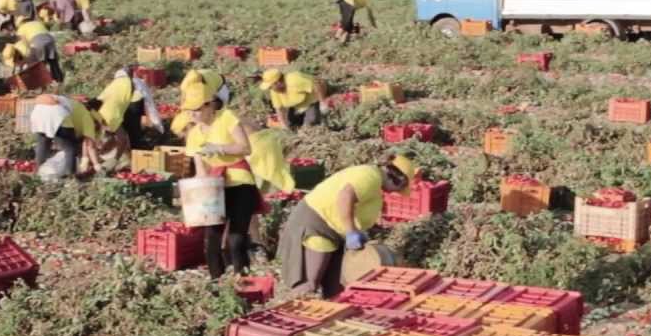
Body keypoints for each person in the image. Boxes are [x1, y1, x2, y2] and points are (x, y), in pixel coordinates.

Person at [279, 155, 414, 298]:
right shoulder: (370, 177)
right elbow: (345, 197)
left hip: (333, 232)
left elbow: (357, 208)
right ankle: (294, 315)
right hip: (317, 225)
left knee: (336, 288)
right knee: (309, 284)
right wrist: (351, 232)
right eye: (400, 188)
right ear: (397, 178)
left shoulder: (375, 182)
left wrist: (360, 231)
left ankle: (328, 315)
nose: (396, 192)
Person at [182, 83, 260, 280]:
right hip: (215, 188)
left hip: (240, 183)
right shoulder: (193, 135)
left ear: (209, 105)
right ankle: (217, 283)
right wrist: (197, 192)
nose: (193, 114)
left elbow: (245, 147)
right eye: (189, 110)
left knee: (236, 239)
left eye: (197, 109)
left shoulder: (227, 118)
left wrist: (219, 148)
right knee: (211, 241)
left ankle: (242, 279)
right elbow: (201, 170)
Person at [27, 94, 105, 180]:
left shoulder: (77, 105)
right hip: (57, 115)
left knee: (43, 144)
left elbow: (85, 143)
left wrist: (85, 159)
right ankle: (71, 178)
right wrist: (96, 164)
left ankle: (37, 174)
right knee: (70, 149)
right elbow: (90, 145)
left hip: (38, 113)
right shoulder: (89, 118)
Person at [98, 66, 164, 152]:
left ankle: (126, 152)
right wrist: (158, 124)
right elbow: (149, 102)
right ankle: (135, 151)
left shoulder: (114, 83)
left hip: (119, 108)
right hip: (133, 105)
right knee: (134, 130)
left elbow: (102, 99)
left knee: (124, 130)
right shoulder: (138, 82)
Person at [2, 18, 63, 83]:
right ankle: (59, 80)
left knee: (39, 65)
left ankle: (45, 83)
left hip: (37, 42)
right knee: (53, 62)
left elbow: (24, 44)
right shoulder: (37, 23)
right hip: (50, 40)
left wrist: (29, 58)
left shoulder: (21, 29)